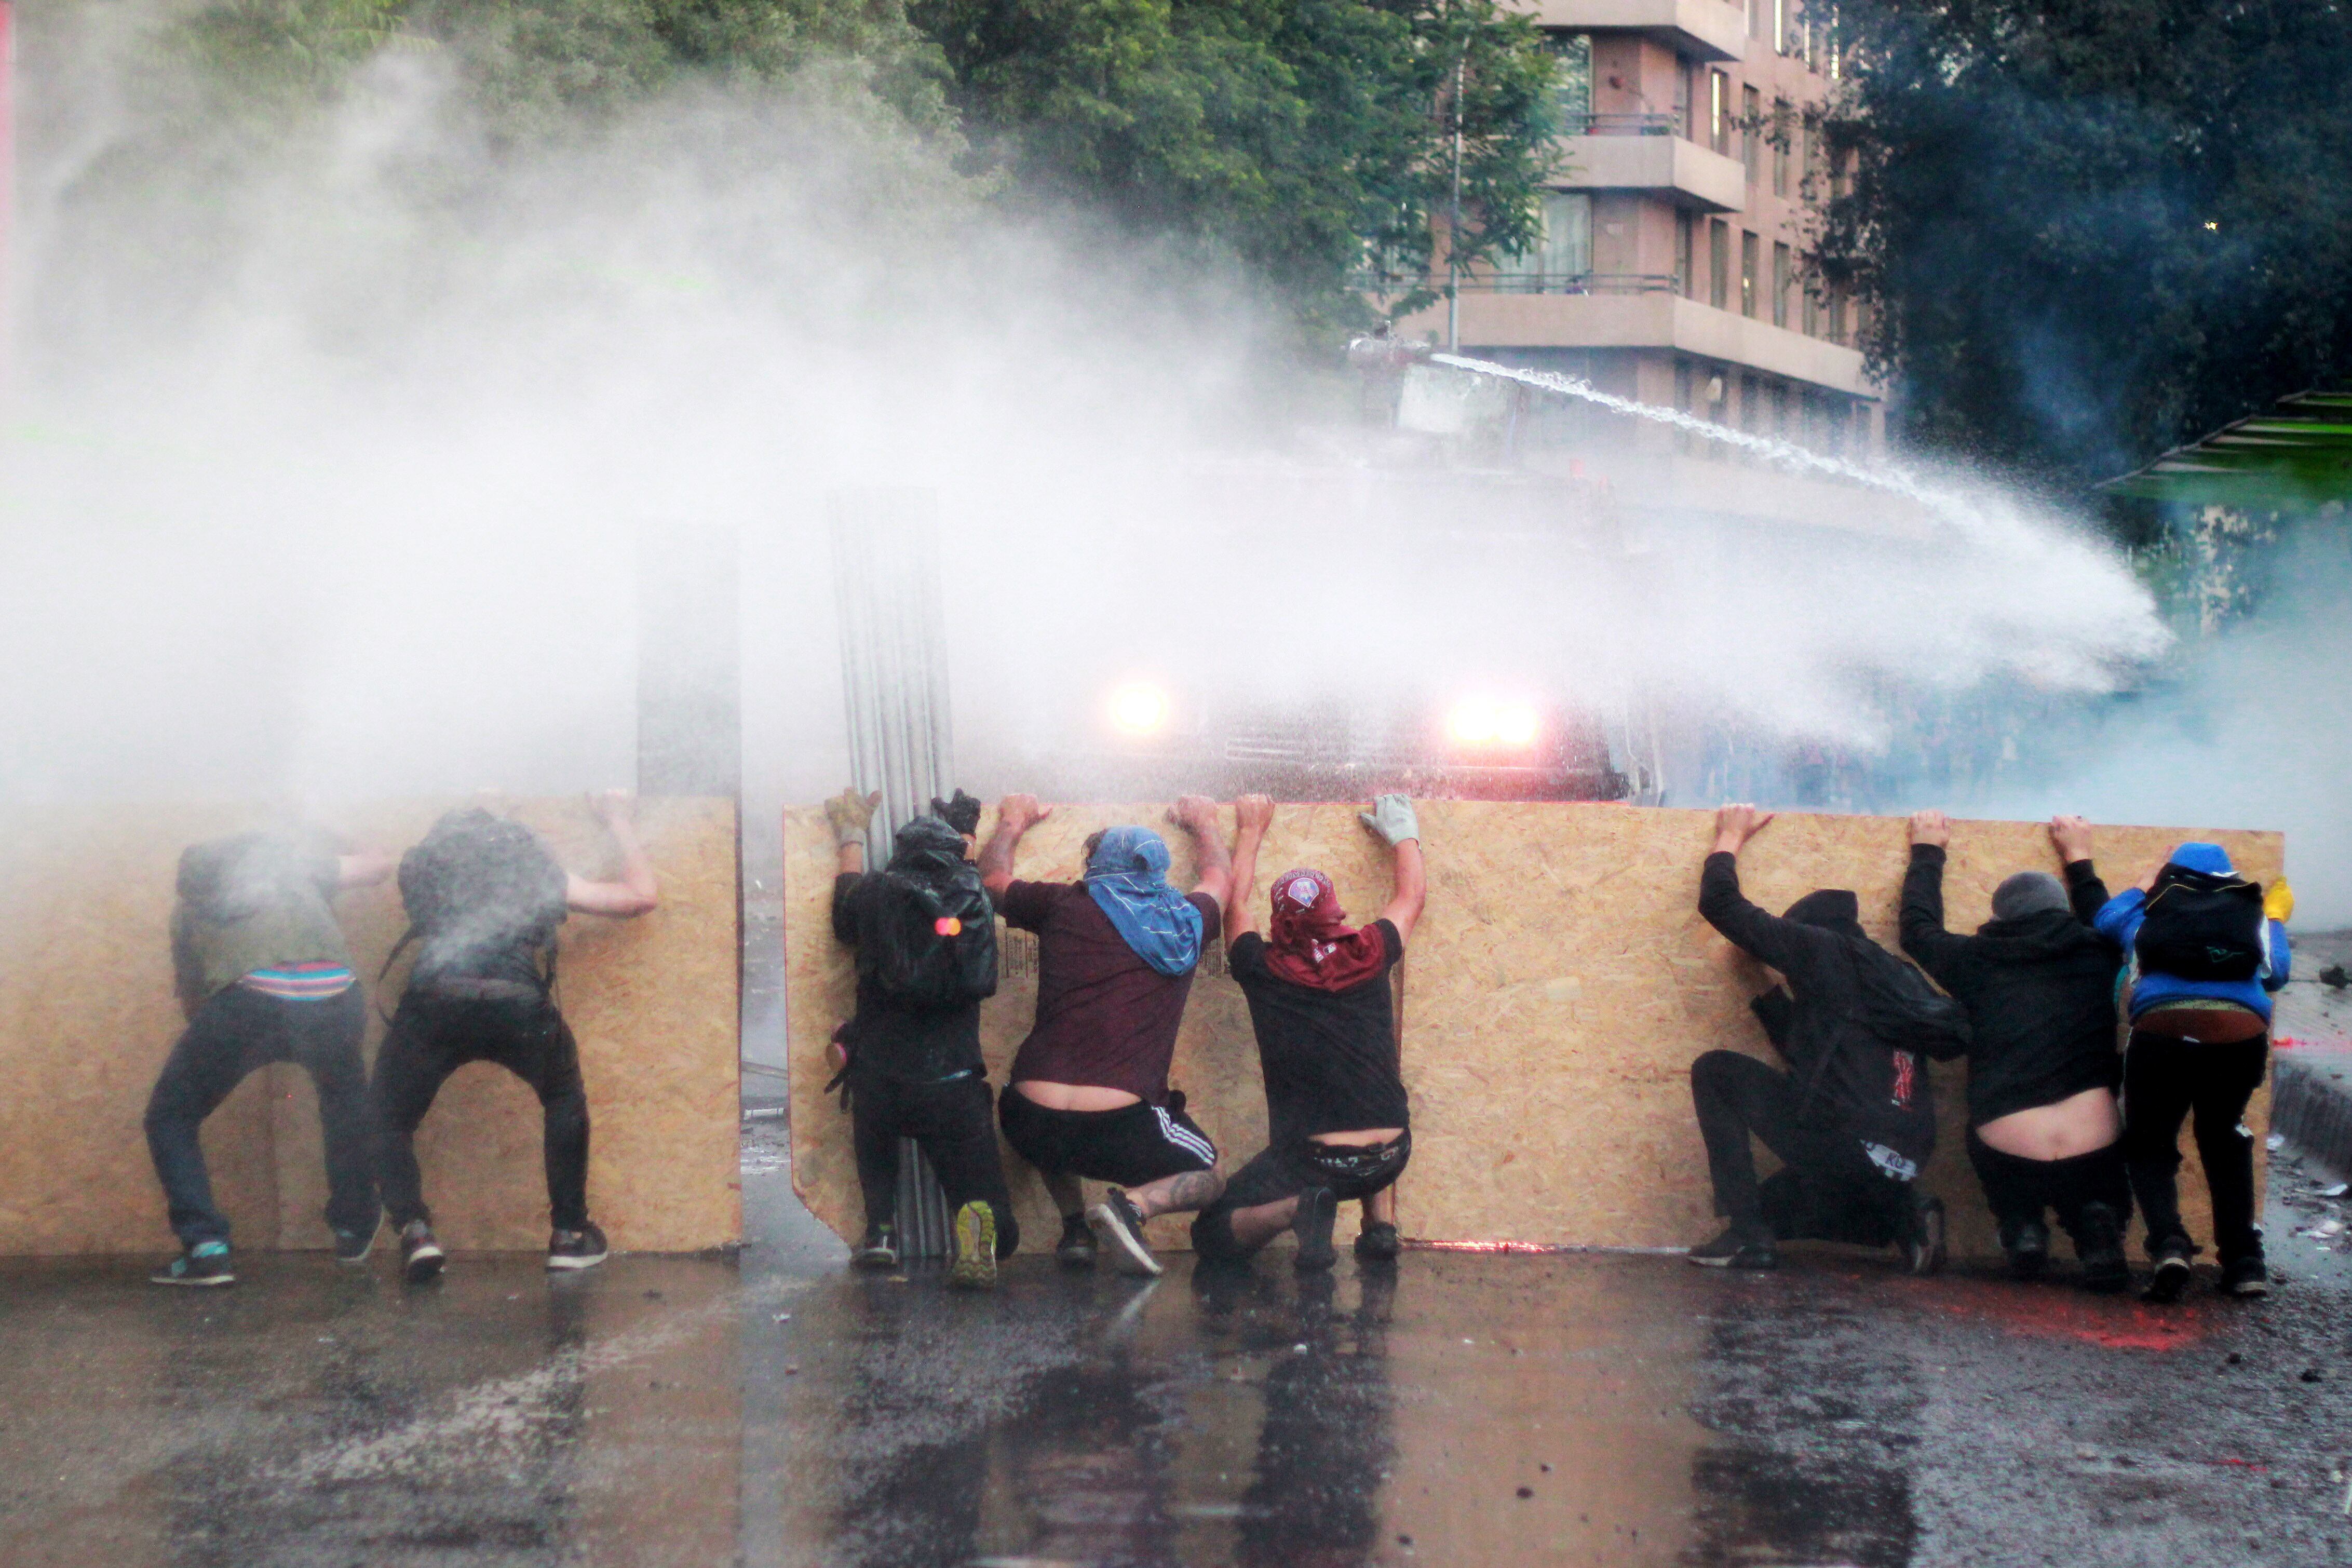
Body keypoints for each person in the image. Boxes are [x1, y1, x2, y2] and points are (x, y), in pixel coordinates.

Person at [372, 791, 658, 1283]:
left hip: (433, 1002)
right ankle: (570, 1235)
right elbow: (640, 898)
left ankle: (416, 1231)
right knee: (562, 1093)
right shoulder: (530, 866)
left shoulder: (423, 869)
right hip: (516, 1002)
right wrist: (618, 821)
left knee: (385, 1117)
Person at [1687, 804, 1958, 1273]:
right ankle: (1907, 1216)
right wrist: (1769, 998)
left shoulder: (1819, 948)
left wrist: (1731, 836)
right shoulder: (1892, 975)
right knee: (1778, 1207)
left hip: (1849, 1148)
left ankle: (1749, 1241)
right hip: (1903, 1159)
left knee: (1714, 1070)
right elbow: (1822, 1059)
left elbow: (1721, 906)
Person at [979, 793, 1233, 1277]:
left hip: (1027, 1119)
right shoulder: (1188, 921)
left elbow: (992, 880)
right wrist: (1204, 823)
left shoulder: (1062, 905)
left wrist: (1013, 821)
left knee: (1050, 1121)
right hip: (1120, 1129)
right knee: (1211, 1175)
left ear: (1095, 866)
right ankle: (1129, 1211)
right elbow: (1221, 878)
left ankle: (1074, 1227)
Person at [145, 829, 396, 1286]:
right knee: (344, 1100)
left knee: (170, 1116)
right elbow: (378, 864)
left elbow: (194, 999)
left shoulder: (187, 910)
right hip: (336, 997)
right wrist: (339, 836)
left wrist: (223, 1045)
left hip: (247, 1004)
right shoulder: (294, 868)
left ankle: (206, 1248)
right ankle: (354, 1224)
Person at [1899, 810, 2132, 1292]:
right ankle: (2097, 1227)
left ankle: (2021, 1225)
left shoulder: (1973, 960)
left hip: (2007, 1138)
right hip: (2095, 1136)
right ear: (2060, 911)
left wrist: (1927, 851)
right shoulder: (2099, 952)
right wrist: (2078, 857)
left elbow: (1917, 929)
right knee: (2096, 1173)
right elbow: (2107, 921)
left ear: (1999, 916)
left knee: (1996, 1139)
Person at [1191, 793, 1424, 1270]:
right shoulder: (1371, 950)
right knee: (1365, 1084)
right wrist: (1404, 835)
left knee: (1211, 1233)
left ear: (1280, 921)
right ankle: (1379, 1227)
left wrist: (1252, 830)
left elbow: (1235, 900)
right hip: (1392, 1153)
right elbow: (1411, 898)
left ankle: (1299, 1209)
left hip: (1315, 1165)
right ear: (1336, 910)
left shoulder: (1260, 965)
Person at [824, 785, 1018, 1288]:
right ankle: (976, 1236)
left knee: (875, 1145)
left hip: (881, 1074)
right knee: (978, 1186)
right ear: (956, 852)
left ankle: (881, 1233)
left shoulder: (873, 891)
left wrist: (849, 833)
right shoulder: (971, 892)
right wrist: (966, 829)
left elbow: (843, 913)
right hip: (953, 1076)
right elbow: (967, 881)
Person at [2093, 841, 2293, 1301]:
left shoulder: (2153, 911)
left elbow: (2105, 919)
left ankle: (2169, 1244)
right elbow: (2277, 974)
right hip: (2237, 1035)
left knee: (2149, 1145)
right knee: (2225, 1140)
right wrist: (2277, 918)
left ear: (2170, 877)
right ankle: (2244, 1263)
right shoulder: (2250, 913)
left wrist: (2143, 884)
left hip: (2161, 1031)